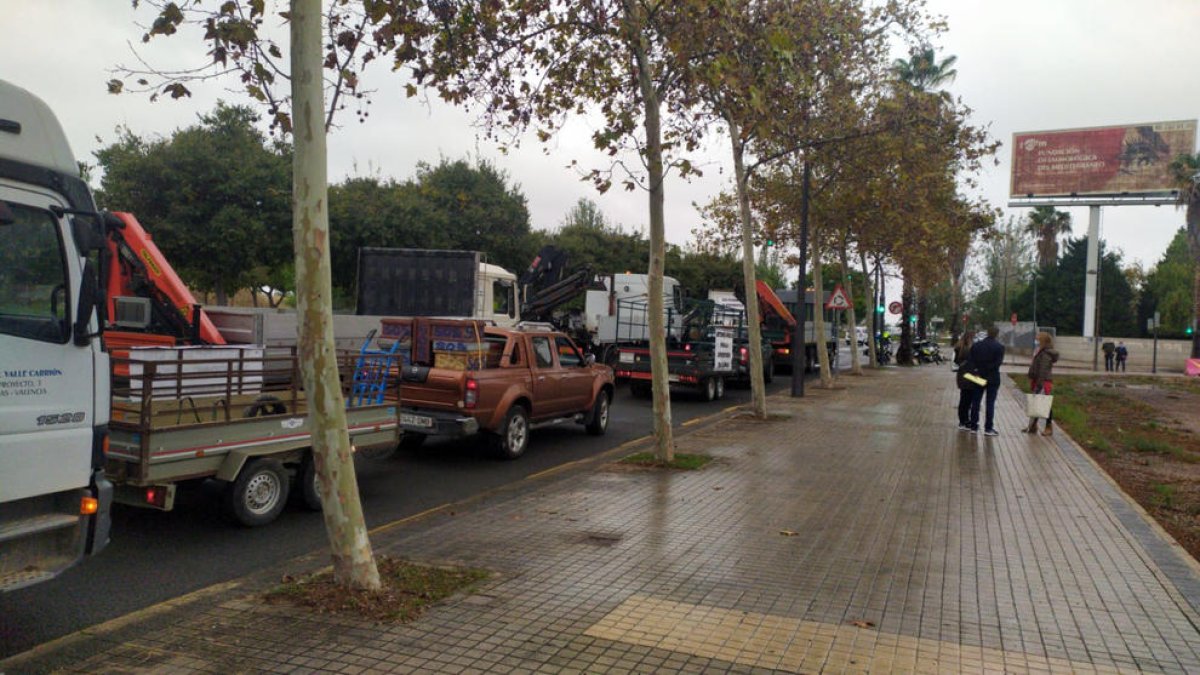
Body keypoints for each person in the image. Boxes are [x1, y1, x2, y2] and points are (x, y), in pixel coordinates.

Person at [968, 325, 1005, 436]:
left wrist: (978, 371)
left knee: (976, 401)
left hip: (978, 376)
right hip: (992, 378)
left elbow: (971, 361)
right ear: (997, 334)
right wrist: (988, 370)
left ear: (987, 332)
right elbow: (998, 363)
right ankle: (988, 428)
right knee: (990, 403)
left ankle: (973, 426)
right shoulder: (999, 347)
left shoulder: (976, 346)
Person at [1025, 332, 1059, 436]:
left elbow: (1043, 370)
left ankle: (1049, 427)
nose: (1036, 341)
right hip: (1038, 380)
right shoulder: (1040, 351)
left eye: (1038, 339)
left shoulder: (1045, 354)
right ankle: (1033, 425)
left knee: (1045, 404)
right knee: (1037, 402)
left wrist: (1039, 385)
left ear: (1043, 341)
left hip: (1043, 381)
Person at [953, 332, 977, 431]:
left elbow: (956, 361)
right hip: (970, 376)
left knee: (963, 399)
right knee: (969, 400)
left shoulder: (959, 348)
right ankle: (966, 421)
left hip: (962, 375)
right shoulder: (971, 349)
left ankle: (962, 421)